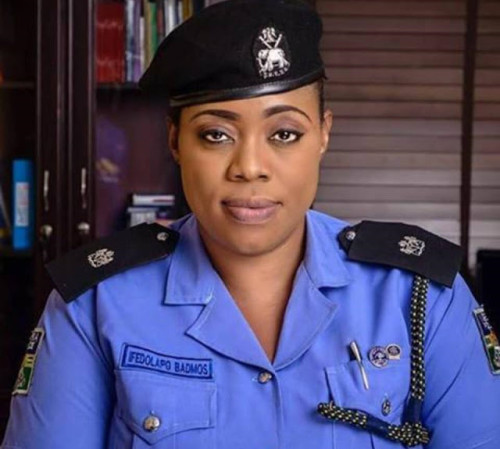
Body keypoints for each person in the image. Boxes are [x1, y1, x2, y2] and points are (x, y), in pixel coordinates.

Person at [2, 0, 500, 448]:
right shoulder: (94, 304)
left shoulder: (420, 296)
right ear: (175, 142)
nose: (250, 167)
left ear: (323, 135)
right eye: (216, 134)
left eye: (284, 133)